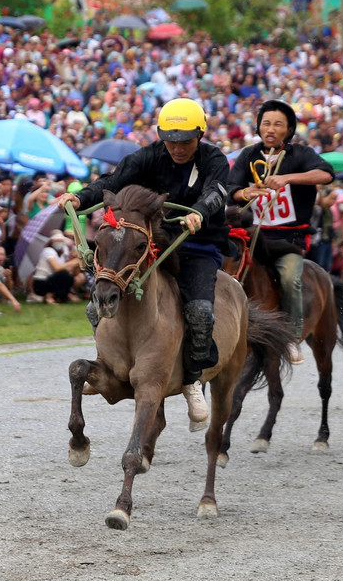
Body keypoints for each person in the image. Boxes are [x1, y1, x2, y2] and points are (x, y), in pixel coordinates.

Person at [58, 98, 230, 425]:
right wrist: (80, 197)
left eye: (185, 141)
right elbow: (113, 181)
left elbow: (218, 191)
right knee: (96, 306)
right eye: (171, 140)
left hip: (198, 244)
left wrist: (200, 213)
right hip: (151, 242)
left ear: (200, 134)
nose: (177, 148)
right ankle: (108, 362)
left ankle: (193, 377)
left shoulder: (214, 159)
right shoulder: (150, 155)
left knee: (200, 311)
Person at [228, 99, 334, 363]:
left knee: (289, 279)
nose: (270, 129)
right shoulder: (248, 155)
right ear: (258, 127)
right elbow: (231, 189)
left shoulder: (300, 154)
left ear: (288, 129)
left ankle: (291, 339)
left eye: (278, 124)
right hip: (254, 237)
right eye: (266, 123)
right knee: (223, 273)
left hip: (289, 239)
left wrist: (288, 178)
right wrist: (245, 192)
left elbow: (326, 174)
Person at [31, 229, 84, 304]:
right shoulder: (48, 251)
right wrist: (73, 262)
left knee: (68, 276)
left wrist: (74, 261)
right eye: (57, 241)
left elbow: (72, 273)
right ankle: (49, 296)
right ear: (52, 242)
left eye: (61, 241)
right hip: (41, 283)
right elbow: (57, 268)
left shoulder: (63, 253)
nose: (59, 243)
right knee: (63, 273)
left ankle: (61, 296)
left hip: (51, 281)